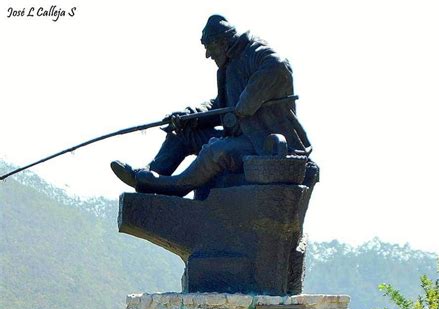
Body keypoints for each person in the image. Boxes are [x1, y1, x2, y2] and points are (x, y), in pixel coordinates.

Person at [111, 15, 311, 196]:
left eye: (209, 47)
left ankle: (174, 186)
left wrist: (249, 99)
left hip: (262, 143)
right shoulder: (227, 66)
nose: (207, 54)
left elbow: (278, 65)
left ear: (223, 42)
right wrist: (190, 116)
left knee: (215, 150)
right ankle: (149, 175)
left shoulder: (253, 51)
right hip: (239, 138)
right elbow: (220, 105)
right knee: (184, 134)